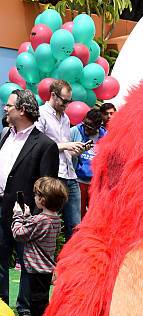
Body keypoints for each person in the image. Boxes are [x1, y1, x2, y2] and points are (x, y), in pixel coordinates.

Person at [0, 89, 59, 316]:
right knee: (0, 258)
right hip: (1, 205)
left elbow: (46, 184)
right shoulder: (5, 134)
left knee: (28, 262)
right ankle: (2, 303)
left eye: (9, 105)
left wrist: (35, 217)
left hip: (26, 214)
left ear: (22, 110)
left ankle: (23, 307)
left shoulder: (45, 145)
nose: (5, 108)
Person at [11, 176, 67, 316]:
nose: (34, 197)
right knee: (39, 302)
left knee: (38, 306)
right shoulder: (55, 219)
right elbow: (34, 230)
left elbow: (19, 233)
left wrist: (18, 216)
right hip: (45, 269)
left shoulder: (40, 220)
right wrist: (28, 216)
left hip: (37, 269)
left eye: (36, 195)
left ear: (42, 199)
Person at [36, 79, 85, 240]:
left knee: (75, 224)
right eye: (64, 101)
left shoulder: (65, 118)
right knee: (48, 221)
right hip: (53, 175)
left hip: (70, 174)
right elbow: (38, 145)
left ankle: (72, 260)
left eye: (69, 102)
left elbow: (65, 148)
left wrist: (76, 150)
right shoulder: (41, 114)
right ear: (53, 95)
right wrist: (67, 145)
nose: (67, 105)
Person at [71, 109, 107, 217]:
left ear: (98, 127)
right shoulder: (75, 131)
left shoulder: (105, 135)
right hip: (78, 180)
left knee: (95, 215)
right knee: (78, 215)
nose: (86, 129)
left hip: (96, 183)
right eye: (85, 124)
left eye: (90, 127)